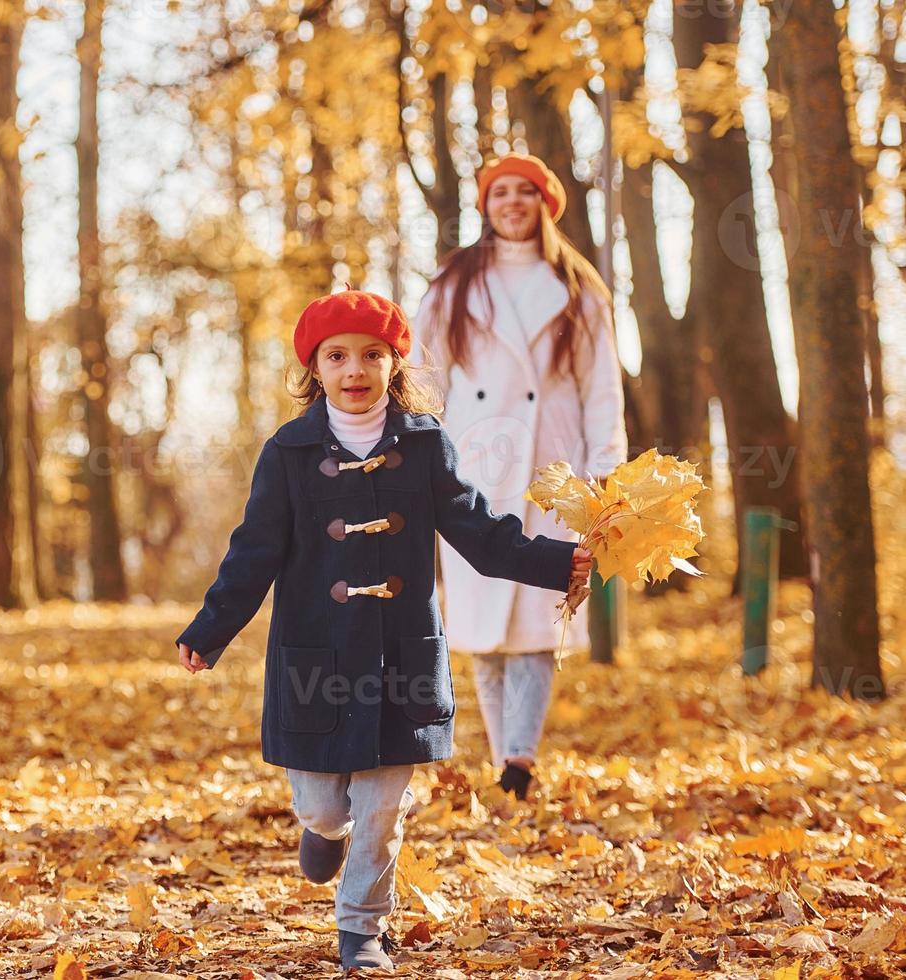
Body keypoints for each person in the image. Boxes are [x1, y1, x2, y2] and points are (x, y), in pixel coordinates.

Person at [175, 286, 593, 972]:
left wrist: (557, 560)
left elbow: (480, 535)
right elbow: (254, 552)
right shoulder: (288, 451)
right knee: (321, 804)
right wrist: (210, 627)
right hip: (313, 654)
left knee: (381, 809)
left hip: (402, 652)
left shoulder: (425, 445)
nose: (354, 370)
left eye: (372, 355)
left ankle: (360, 932)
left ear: (395, 364)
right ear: (316, 369)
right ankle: (321, 828)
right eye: (336, 356)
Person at [411, 152, 628, 801]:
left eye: (524, 192)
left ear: (545, 203)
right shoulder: (452, 286)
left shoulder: (579, 288)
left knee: (540, 617)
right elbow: (424, 380)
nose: (511, 202)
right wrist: (424, 461)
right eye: (500, 192)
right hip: (474, 468)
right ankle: (507, 755)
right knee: (482, 626)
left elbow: (602, 390)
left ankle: (518, 763)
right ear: (485, 205)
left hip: (553, 471)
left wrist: (604, 476)